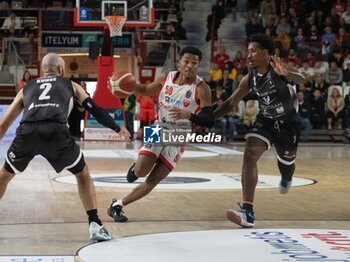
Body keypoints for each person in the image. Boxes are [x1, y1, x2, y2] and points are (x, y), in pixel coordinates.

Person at [0, 53, 131, 241]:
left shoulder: (26, 88)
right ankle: (94, 224)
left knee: (5, 172)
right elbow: (95, 110)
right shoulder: (70, 84)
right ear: (60, 69)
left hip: (27, 131)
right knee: (82, 172)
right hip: (56, 131)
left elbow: (4, 125)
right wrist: (118, 128)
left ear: (43, 69)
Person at [107, 46, 214, 222]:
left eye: (194, 63)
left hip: (180, 136)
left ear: (198, 65)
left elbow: (209, 120)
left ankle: (117, 205)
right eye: (186, 61)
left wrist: (188, 115)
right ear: (179, 62)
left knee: (154, 179)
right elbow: (146, 90)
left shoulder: (202, 88)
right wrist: (121, 86)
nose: (189, 66)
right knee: (141, 171)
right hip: (159, 127)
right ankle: (137, 167)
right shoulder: (167, 77)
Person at [214, 33, 306, 228]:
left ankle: (287, 175)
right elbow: (231, 102)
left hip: (288, 124)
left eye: (253, 51)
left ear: (266, 53)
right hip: (266, 121)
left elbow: (301, 78)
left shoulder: (279, 69)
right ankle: (248, 212)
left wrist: (287, 75)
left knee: (287, 163)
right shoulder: (250, 78)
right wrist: (208, 119)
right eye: (248, 51)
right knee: (249, 154)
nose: (249, 55)